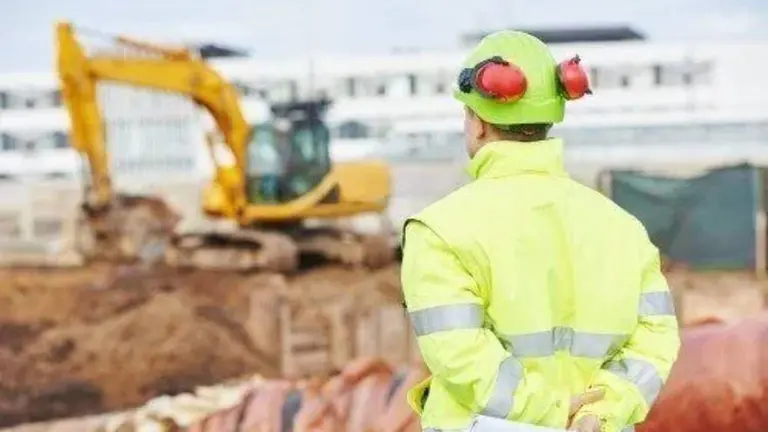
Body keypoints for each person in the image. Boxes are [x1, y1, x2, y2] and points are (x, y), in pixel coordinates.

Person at [400, 30, 681, 432]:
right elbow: (655, 339)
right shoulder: (624, 228)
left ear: (477, 123)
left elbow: (459, 353)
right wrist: (599, 412)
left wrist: (551, 411)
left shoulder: (440, 230)